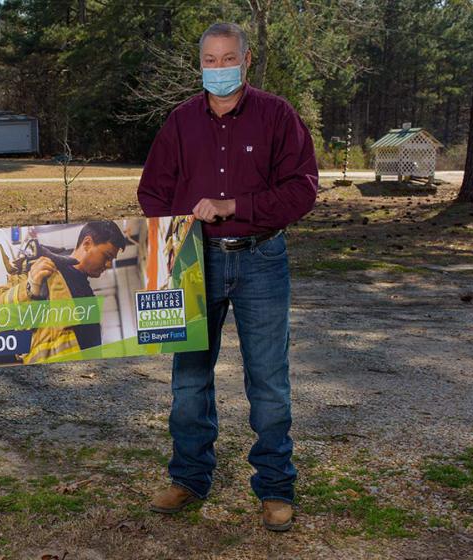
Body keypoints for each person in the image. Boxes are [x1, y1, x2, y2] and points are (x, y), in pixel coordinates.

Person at [137, 23, 318, 532]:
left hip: (261, 259)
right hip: (195, 262)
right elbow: (152, 191)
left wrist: (235, 206)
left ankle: (276, 486)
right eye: (210, 61)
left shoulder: (277, 115)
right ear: (201, 65)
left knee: (268, 381)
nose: (219, 69)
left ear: (247, 59)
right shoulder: (180, 122)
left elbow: (302, 190)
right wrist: (179, 230)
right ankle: (190, 478)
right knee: (190, 380)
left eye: (228, 59)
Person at [0, 221, 126, 364]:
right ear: (87, 243)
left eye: (111, 259)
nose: (108, 264)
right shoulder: (43, 270)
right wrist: (29, 287)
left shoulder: (88, 294)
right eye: (107, 256)